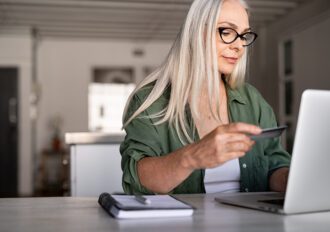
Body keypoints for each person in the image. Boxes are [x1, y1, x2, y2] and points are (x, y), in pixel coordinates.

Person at [120, 0, 291, 195]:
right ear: (196, 33)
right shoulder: (150, 101)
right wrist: (192, 157)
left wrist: (291, 180)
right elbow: (138, 182)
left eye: (244, 35)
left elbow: (274, 164)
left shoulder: (252, 100)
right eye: (227, 32)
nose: (239, 46)